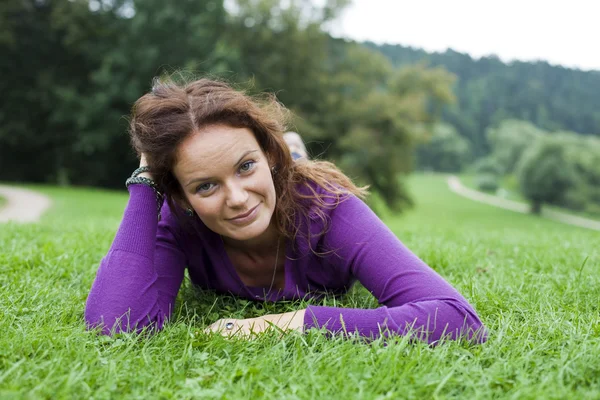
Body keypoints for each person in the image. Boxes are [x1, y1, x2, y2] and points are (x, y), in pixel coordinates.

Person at [85, 78, 487, 344]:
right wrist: (145, 181)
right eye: (205, 185)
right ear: (180, 195)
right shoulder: (180, 218)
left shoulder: (332, 209)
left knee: (301, 179)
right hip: (248, 176)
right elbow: (115, 327)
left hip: (297, 188)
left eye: (246, 166)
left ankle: (295, 155)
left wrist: (283, 323)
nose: (238, 198)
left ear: (268, 155)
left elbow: (458, 319)